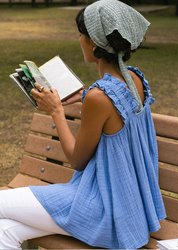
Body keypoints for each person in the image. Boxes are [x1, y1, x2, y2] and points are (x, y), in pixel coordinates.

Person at [0, 0, 166, 249]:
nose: (79, 40)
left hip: (103, 210)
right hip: (130, 208)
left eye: (81, 35)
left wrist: (56, 110)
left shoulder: (100, 98)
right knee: (5, 231)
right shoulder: (133, 78)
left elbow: (77, 160)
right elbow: (117, 112)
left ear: (94, 42)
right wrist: (86, 95)